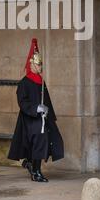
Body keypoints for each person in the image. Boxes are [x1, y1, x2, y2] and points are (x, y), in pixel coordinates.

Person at [8, 38, 64, 182]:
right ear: (32, 65)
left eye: (41, 64)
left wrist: (47, 111)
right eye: (38, 64)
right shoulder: (24, 83)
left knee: (47, 138)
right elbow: (22, 102)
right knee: (39, 138)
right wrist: (36, 108)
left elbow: (46, 100)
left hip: (41, 118)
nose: (41, 67)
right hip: (29, 118)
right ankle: (36, 171)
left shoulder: (41, 81)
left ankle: (32, 166)